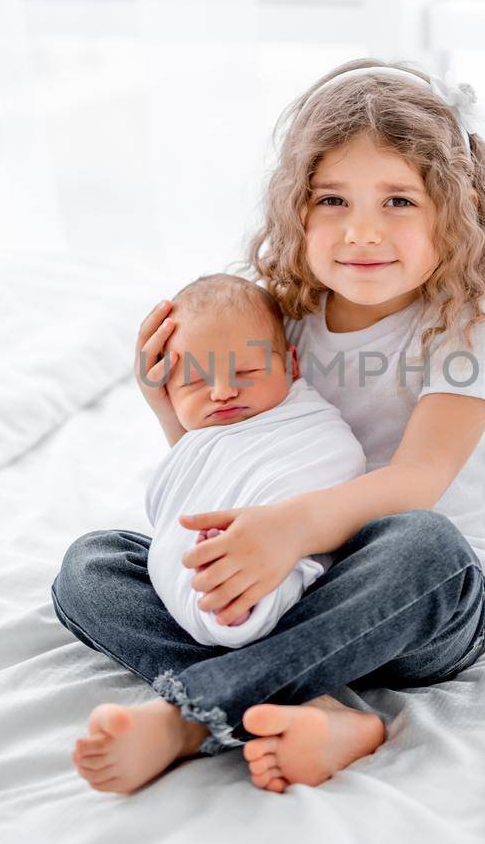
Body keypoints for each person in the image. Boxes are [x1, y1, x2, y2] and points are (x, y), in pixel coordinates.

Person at [51, 58, 485, 795]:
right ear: (297, 210)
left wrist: (290, 528)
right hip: (282, 589)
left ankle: (194, 715)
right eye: (332, 199)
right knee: (93, 565)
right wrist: (173, 414)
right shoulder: (283, 320)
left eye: (398, 202)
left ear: (455, 210)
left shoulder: (470, 330)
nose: (361, 231)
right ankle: (321, 709)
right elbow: (239, 461)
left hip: (406, 600)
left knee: (429, 546)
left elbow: (418, 481)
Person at [143, 272, 366, 648]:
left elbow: (337, 464)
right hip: (205, 578)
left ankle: (236, 631)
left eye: (245, 372)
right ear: (167, 388)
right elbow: (191, 491)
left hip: (311, 582)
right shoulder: (199, 438)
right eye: (195, 382)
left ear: (290, 366)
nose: (224, 392)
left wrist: (281, 536)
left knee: (417, 545)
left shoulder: (307, 426)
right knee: (91, 563)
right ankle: (237, 630)